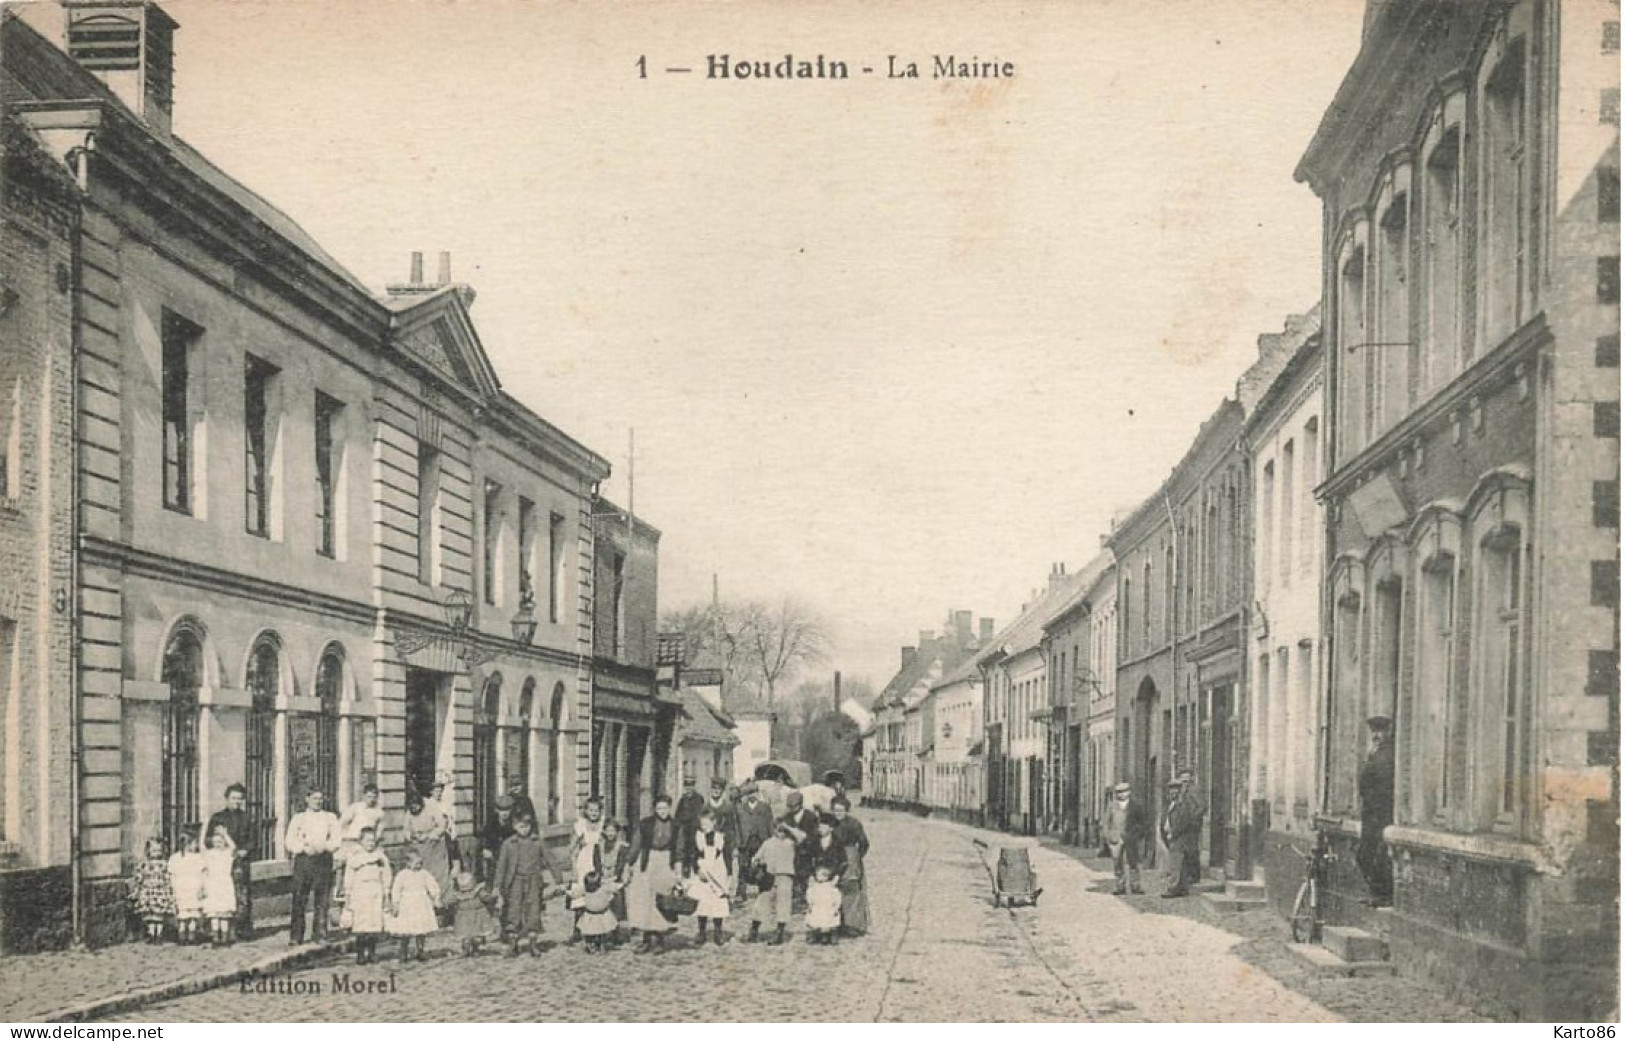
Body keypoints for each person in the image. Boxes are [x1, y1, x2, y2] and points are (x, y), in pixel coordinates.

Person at [494, 812, 560, 957]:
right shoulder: (508, 844)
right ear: (514, 827)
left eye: (527, 826)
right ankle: (513, 944)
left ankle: (533, 944)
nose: (525, 829)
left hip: (533, 881)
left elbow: (550, 860)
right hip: (514, 882)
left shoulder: (537, 842)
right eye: (521, 826)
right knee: (514, 911)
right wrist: (497, 886)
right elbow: (501, 867)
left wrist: (559, 879)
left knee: (533, 911)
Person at [626, 794, 682, 954]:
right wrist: (630, 863)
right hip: (647, 861)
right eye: (659, 808)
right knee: (645, 900)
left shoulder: (675, 825)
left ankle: (659, 940)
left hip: (665, 862)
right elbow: (636, 844)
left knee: (661, 901)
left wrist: (678, 870)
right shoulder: (645, 824)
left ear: (669, 808)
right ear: (654, 809)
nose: (662, 811)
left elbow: (679, 849)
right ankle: (646, 939)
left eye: (665, 808)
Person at [284, 787, 341, 945]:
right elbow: (289, 841)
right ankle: (296, 936)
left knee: (322, 899)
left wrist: (325, 847)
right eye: (315, 798)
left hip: (323, 860)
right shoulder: (299, 818)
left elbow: (337, 839)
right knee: (299, 898)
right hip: (304, 861)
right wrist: (303, 848)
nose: (318, 801)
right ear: (307, 799)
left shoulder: (330, 818)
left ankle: (320, 933)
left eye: (321, 798)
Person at [205, 783, 254, 939]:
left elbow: (253, 839)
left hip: (240, 863)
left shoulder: (247, 818)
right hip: (220, 864)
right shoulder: (218, 818)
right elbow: (207, 840)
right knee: (220, 896)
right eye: (233, 798)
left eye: (240, 799)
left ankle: (240, 930)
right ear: (226, 799)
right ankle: (218, 930)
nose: (237, 802)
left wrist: (245, 850)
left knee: (241, 897)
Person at [1357, 714, 1396, 908]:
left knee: (1376, 855)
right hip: (1370, 813)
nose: (1376, 735)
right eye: (1374, 731)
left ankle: (1383, 895)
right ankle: (1376, 892)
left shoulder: (1388, 755)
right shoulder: (1375, 753)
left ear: (1388, 732)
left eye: (1380, 731)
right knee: (1364, 854)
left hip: (1381, 814)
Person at [339, 825, 391, 964]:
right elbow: (349, 877)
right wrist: (348, 894)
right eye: (367, 841)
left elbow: (386, 875)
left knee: (374, 924)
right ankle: (360, 953)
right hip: (360, 892)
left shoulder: (380, 857)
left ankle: (372, 952)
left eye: (373, 841)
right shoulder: (355, 858)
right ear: (361, 842)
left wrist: (386, 892)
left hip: (375, 891)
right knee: (362, 924)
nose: (370, 844)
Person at [686, 809, 735, 947]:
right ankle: (702, 932)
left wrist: (729, 874)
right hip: (702, 872)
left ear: (714, 823)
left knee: (718, 902)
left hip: (718, 872)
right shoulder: (697, 837)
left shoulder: (721, 837)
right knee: (702, 903)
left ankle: (718, 932)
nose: (705, 826)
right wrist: (697, 870)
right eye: (702, 824)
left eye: (707, 823)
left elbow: (727, 856)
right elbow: (693, 855)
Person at [405, 789, 453, 920]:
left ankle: (441, 908)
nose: (414, 809)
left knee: (437, 876)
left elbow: (442, 825)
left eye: (416, 806)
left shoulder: (432, 807)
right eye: (411, 806)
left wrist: (430, 835)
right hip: (419, 848)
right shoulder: (409, 812)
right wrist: (411, 836)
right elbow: (406, 829)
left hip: (435, 847)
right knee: (420, 876)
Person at [748, 822, 798, 946]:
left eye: (783, 830)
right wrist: (756, 864)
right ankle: (754, 931)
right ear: (774, 829)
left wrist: (789, 827)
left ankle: (779, 933)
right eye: (778, 829)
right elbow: (756, 857)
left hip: (785, 876)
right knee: (761, 903)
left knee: (783, 905)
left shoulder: (791, 843)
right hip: (768, 877)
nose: (781, 833)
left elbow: (802, 837)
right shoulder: (768, 843)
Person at [389, 848, 442, 962]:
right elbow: (396, 890)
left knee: (421, 930)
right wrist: (395, 904)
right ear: (408, 863)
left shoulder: (424, 874)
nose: (419, 866)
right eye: (416, 863)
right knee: (405, 931)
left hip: (421, 904)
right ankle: (403, 952)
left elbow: (432, 885)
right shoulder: (402, 875)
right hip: (407, 906)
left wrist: (436, 897)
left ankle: (420, 951)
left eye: (420, 863)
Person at [829, 797, 870, 935]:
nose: (837, 813)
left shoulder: (854, 824)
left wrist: (856, 857)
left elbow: (864, 843)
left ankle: (853, 925)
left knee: (851, 889)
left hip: (849, 855)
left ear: (846, 810)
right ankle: (837, 922)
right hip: (834, 856)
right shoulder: (831, 823)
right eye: (835, 810)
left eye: (840, 810)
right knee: (835, 889)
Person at [568, 797, 606, 942]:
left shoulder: (603, 824)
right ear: (585, 811)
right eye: (591, 810)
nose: (594, 813)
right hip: (583, 861)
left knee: (598, 894)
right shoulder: (580, 825)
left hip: (598, 862)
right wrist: (573, 867)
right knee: (580, 895)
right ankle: (577, 929)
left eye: (596, 810)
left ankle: (600, 929)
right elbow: (572, 848)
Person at [1102, 782, 1148, 896]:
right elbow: (1106, 823)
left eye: (1124, 792)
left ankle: (1135, 885)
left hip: (1131, 838)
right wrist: (1108, 836)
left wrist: (1137, 835)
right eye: (1119, 793)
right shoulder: (1112, 806)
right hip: (1116, 839)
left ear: (1129, 792)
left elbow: (1142, 822)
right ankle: (1120, 886)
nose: (1122, 795)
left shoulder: (1136, 806)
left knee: (1133, 862)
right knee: (1117, 863)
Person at [337, 783, 385, 893]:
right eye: (369, 796)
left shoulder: (379, 812)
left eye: (374, 797)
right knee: (347, 866)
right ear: (363, 796)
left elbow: (379, 830)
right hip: (352, 842)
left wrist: (373, 841)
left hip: (368, 844)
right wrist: (346, 837)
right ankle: (343, 892)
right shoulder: (356, 807)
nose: (371, 799)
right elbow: (342, 823)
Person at [127, 837, 176, 944]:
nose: (156, 853)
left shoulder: (164, 864)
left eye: (158, 850)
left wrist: (169, 889)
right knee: (150, 915)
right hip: (148, 891)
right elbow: (139, 877)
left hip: (160, 891)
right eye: (153, 850)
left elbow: (167, 877)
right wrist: (136, 889)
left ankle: (159, 934)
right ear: (148, 851)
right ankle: (151, 934)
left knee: (159, 915)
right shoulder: (144, 864)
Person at [1162, 773, 1203, 898]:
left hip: (1179, 837)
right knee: (1179, 863)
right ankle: (1182, 888)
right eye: (1171, 790)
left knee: (1175, 864)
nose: (1173, 793)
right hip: (1172, 836)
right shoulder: (1171, 804)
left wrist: (1173, 833)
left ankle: (1172, 888)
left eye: (1175, 790)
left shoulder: (1183, 805)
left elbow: (1183, 821)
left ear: (1179, 791)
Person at [734, 782, 775, 899]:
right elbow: (737, 826)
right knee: (743, 865)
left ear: (758, 793)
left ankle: (764, 889)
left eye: (754, 792)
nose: (752, 795)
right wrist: (738, 842)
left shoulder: (765, 807)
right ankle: (741, 892)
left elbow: (770, 824)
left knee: (762, 865)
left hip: (761, 840)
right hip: (746, 841)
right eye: (749, 793)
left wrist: (771, 840)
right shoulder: (741, 808)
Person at [779, 790, 819, 908]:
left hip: (807, 852)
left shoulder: (811, 817)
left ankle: (802, 899)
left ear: (800, 805)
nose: (791, 808)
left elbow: (814, 835)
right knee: (793, 876)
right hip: (791, 853)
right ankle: (795, 899)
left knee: (804, 876)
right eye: (789, 806)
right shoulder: (786, 817)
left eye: (793, 806)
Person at [200, 825, 238, 947]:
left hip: (224, 884)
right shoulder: (209, 854)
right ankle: (215, 937)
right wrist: (205, 828)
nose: (218, 844)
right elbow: (202, 847)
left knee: (224, 914)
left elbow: (233, 847)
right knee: (214, 914)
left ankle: (225, 938)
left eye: (220, 841)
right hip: (212, 884)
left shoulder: (227, 854)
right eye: (215, 841)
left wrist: (225, 834)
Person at [169, 827, 205, 945]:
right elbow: (172, 875)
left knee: (193, 914)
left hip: (194, 887)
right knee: (183, 914)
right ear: (187, 844)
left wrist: (201, 887)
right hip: (182, 888)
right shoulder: (175, 858)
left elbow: (202, 873)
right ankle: (182, 937)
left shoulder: (198, 858)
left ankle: (191, 936)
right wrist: (173, 889)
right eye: (194, 843)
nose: (196, 846)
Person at [449, 869, 496, 956]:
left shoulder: (478, 892)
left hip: (476, 915)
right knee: (465, 935)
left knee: (476, 935)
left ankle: (475, 948)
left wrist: (491, 897)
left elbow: (485, 897)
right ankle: (466, 948)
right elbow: (451, 901)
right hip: (464, 917)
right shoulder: (458, 894)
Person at [574, 871, 624, 954]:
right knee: (589, 932)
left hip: (603, 914)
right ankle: (591, 944)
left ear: (598, 884)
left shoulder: (604, 888)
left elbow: (616, 887)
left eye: (593, 885)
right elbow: (575, 893)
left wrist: (625, 883)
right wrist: (566, 891)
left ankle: (601, 944)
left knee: (602, 930)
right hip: (590, 915)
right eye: (589, 885)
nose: (591, 888)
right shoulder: (584, 890)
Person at [480, 795, 516, 883]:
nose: (504, 813)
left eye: (507, 810)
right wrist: (486, 849)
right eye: (502, 810)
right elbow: (484, 841)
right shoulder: (491, 825)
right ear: (497, 810)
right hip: (494, 861)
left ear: (512, 810)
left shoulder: (515, 825)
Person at [805, 864, 842, 945]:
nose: (819, 877)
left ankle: (831, 936)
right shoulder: (815, 886)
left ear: (827, 877)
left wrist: (836, 906)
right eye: (818, 875)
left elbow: (837, 896)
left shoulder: (831, 886)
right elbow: (810, 894)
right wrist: (810, 903)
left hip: (828, 906)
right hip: (818, 906)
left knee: (829, 921)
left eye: (822, 875)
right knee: (816, 920)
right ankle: (815, 936)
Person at [673, 775, 707, 857]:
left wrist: (683, 818)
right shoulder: (683, 799)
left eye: (690, 786)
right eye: (686, 786)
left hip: (695, 829)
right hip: (684, 830)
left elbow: (696, 814)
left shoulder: (698, 798)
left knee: (696, 852)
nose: (688, 788)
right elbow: (677, 814)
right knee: (685, 852)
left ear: (694, 787)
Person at [810, 813, 847, 878]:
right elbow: (806, 861)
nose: (820, 829)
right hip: (813, 877)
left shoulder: (838, 843)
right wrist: (811, 876)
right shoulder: (812, 841)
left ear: (831, 828)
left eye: (823, 827)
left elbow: (843, 863)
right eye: (819, 827)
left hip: (832, 877)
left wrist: (836, 877)